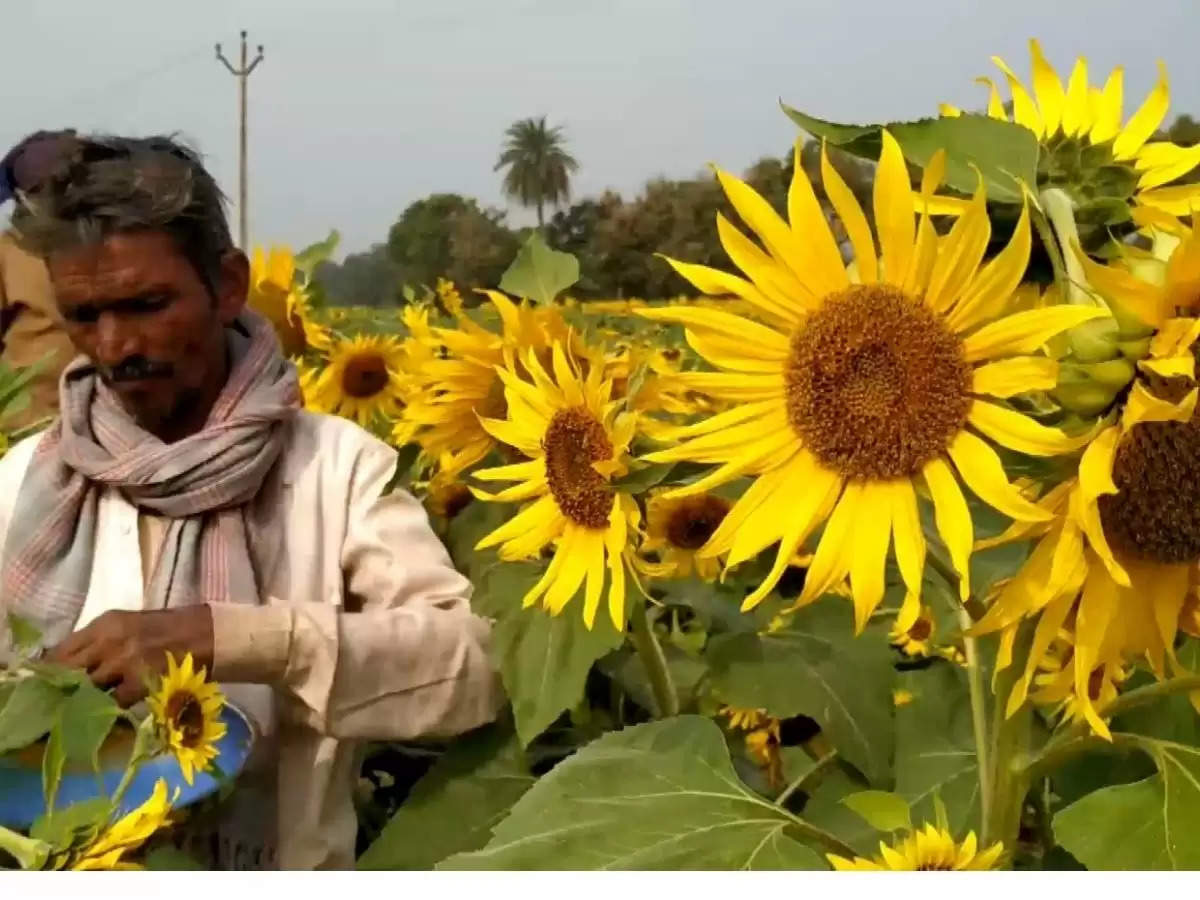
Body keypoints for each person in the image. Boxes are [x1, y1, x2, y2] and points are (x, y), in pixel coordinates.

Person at [0, 133, 503, 870]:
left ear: (228, 285)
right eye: (84, 314)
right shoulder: (27, 481)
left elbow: (474, 671)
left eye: (146, 304)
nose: (113, 347)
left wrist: (234, 638)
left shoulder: (334, 469)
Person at [0, 130, 80, 430]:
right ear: (23, 197)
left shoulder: (108, 241)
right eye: (44, 190)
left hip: (101, 415)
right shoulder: (9, 249)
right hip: (28, 421)